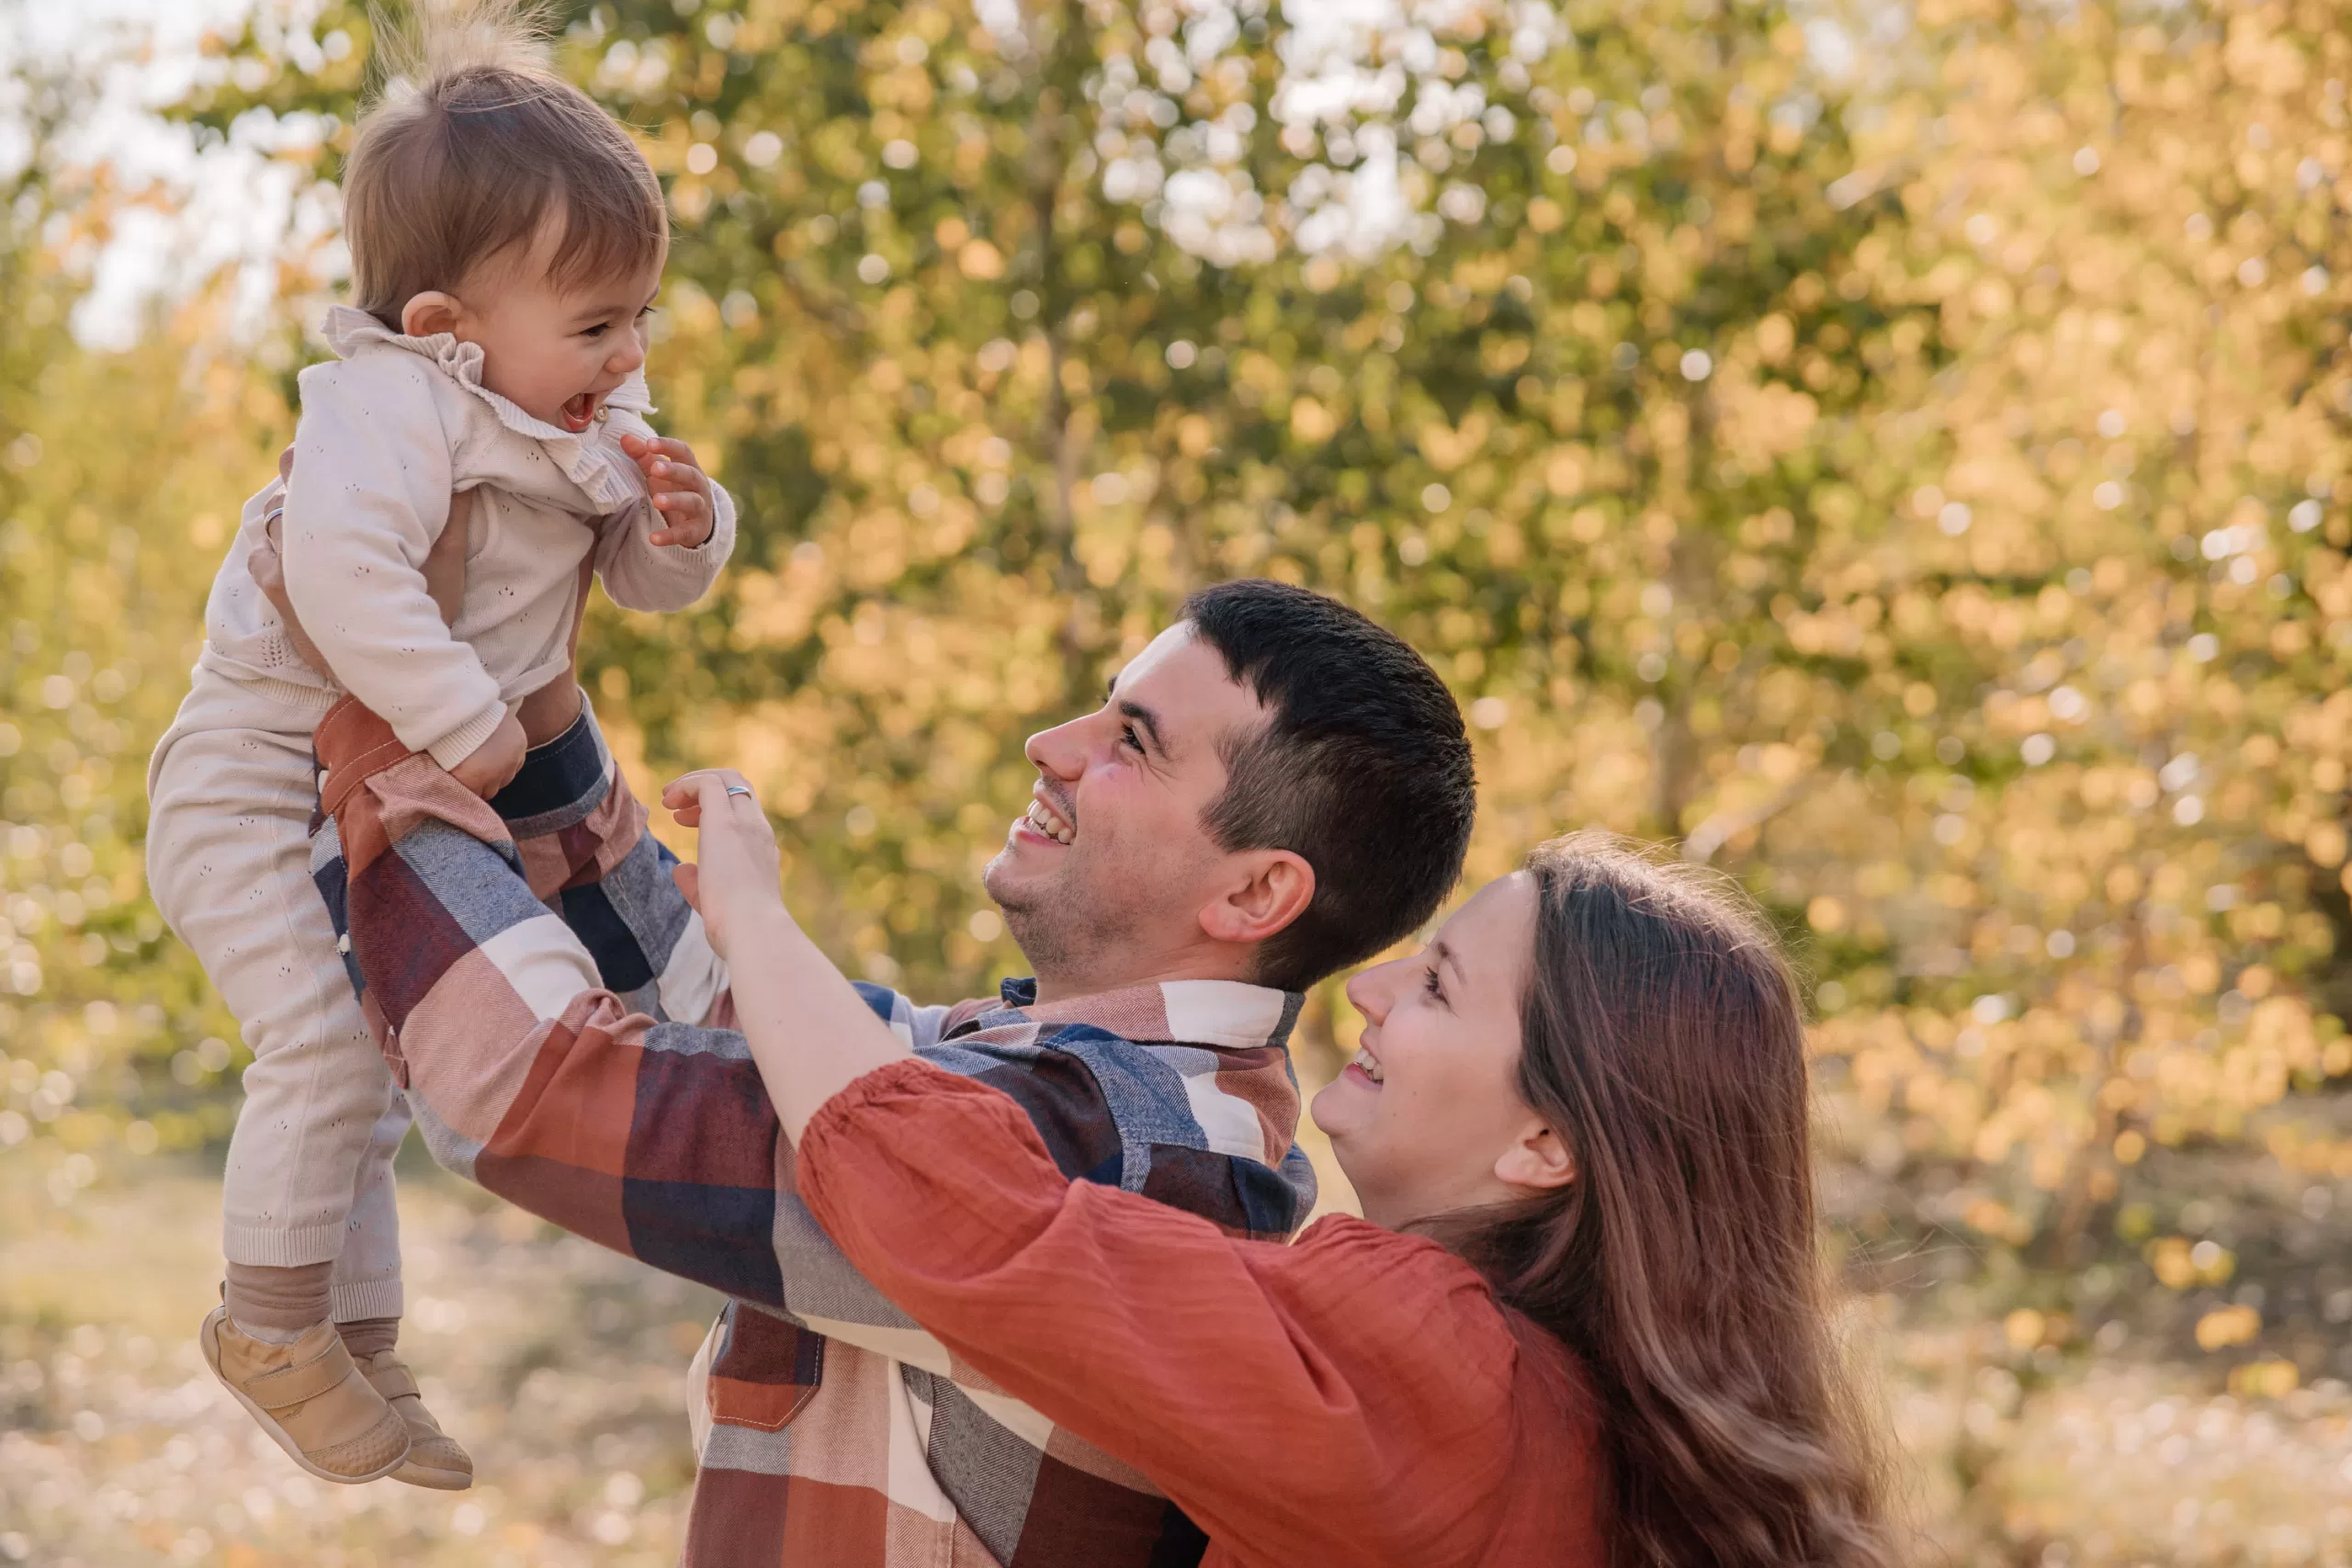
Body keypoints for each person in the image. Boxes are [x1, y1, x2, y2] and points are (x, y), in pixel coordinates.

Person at [307, 578, 1477, 1563]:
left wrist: (370, 734)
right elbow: (714, 1012)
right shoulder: (1055, 1069)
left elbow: (532, 1094)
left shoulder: (1137, 1153)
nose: (1051, 745)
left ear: (1255, 894)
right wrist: (521, 677)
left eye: (1131, 742)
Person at [663, 798, 1898, 1568]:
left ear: (1546, 1146)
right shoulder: (1579, 1411)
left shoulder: (1428, 1368)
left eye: (1438, 987)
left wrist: (757, 919)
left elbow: (1001, 1239)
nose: (1368, 988)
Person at [143, 1, 734, 1492]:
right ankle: (270, 1326)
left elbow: (646, 590)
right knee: (322, 1046)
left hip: (395, 780)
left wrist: (683, 521)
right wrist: (473, 724)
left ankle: (364, 1336)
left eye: (639, 313)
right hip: (257, 775)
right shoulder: (388, 405)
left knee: (381, 1067)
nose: (630, 351)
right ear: (444, 329)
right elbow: (346, 578)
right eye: (596, 323)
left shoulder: (582, 416)